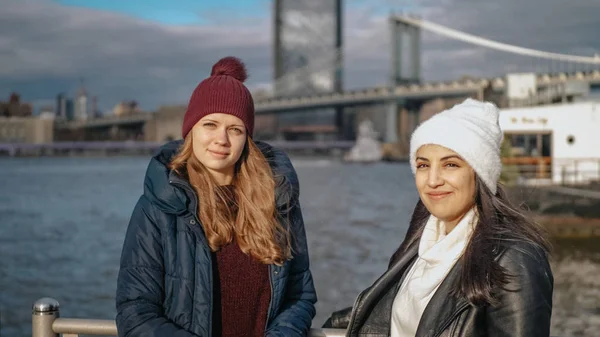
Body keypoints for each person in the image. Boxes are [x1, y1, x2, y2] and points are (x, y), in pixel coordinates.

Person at [115, 56, 317, 337]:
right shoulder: (158, 206)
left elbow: (300, 296)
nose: (222, 139)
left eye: (235, 129)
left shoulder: (278, 200)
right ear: (191, 131)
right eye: (210, 124)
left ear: (247, 138)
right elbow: (135, 313)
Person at [323, 98, 553, 337]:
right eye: (423, 166)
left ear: (480, 174)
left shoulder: (515, 260)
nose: (433, 180)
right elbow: (392, 312)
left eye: (450, 165)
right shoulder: (421, 243)